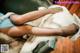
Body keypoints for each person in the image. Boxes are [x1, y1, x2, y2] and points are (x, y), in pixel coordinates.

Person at [0, 8, 79, 37]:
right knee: (26, 29)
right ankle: (60, 31)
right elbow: (4, 48)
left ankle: (49, 10)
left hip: (6, 17)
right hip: (4, 30)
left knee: (18, 19)